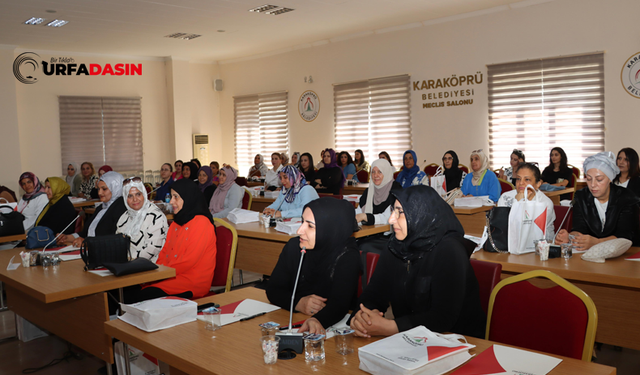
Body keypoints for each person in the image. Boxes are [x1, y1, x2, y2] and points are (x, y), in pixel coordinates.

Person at [350, 185, 485, 338]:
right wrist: (361, 317)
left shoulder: (450, 249)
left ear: (421, 214)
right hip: (410, 338)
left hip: (458, 339)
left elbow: (443, 317)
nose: (391, 219)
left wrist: (391, 327)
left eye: (400, 212)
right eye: (392, 211)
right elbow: (374, 294)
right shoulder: (395, 246)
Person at [115, 179, 217, 307]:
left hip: (191, 281)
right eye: (171, 196)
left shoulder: (202, 223)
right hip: (170, 275)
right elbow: (164, 253)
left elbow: (188, 261)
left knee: (138, 297)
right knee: (125, 292)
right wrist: (155, 273)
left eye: (176, 197)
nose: (171, 201)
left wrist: (160, 274)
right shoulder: (176, 223)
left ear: (188, 197)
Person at [266, 198, 361, 334]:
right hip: (291, 319)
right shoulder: (294, 246)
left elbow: (339, 305)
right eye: (302, 221)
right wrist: (298, 303)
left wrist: (318, 320)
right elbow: (273, 290)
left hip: (332, 327)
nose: (300, 230)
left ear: (330, 229)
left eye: (310, 226)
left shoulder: (347, 255)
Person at [556, 152, 640, 249]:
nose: (592, 185)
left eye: (599, 179)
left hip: (627, 254)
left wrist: (597, 242)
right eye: (588, 179)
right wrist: (570, 237)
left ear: (610, 179)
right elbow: (579, 229)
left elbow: (625, 236)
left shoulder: (627, 198)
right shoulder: (581, 197)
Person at [59, 171, 127, 247]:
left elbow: (114, 238)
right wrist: (67, 237)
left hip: (106, 253)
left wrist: (88, 243)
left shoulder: (121, 208)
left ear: (116, 188)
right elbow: (86, 233)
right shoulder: (101, 208)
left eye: (104, 189)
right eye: (98, 189)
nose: (99, 193)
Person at [116, 178, 169, 262]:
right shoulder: (124, 216)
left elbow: (153, 249)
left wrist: (130, 260)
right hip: (125, 264)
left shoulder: (156, 216)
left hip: (150, 266)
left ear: (144, 194)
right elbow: (117, 243)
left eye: (138, 194)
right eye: (130, 196)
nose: (135, 199)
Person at [497, 163, 556, 237]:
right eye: (518, 179)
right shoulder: (505, 197)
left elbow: (528, 231)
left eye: (527, 179)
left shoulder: (545, 203)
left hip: (538, 244)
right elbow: (501, 226)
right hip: (507, 242)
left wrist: (520, 203)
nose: (521, 183)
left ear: (538, 184)